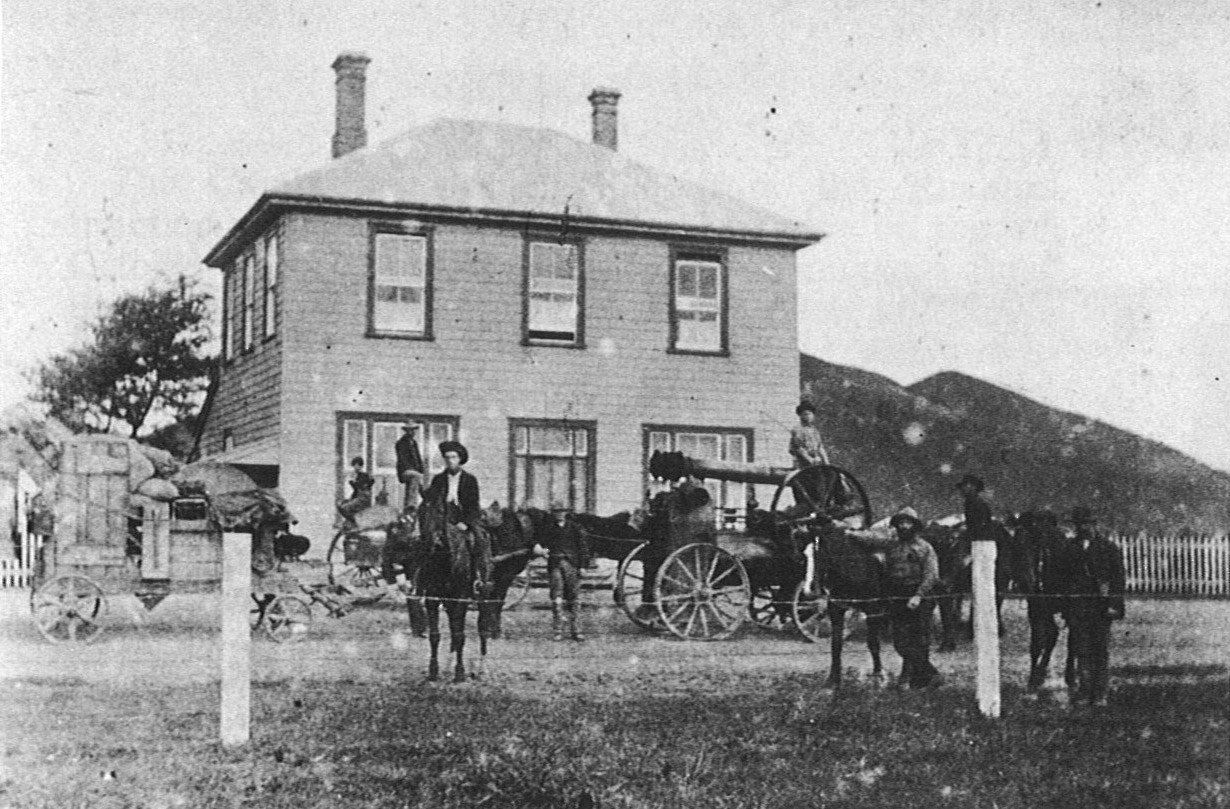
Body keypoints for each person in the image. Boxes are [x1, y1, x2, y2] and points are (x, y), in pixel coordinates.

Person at [850, 507, 942, 688]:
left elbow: (932, 575)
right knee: (900, 642)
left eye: (908, 523)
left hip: (918, 595)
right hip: (897, 595)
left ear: (915, 526)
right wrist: (846, 532)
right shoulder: (890, 543)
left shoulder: (924, 548)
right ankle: (931, 674)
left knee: (919, 640)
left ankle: (917, 679)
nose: (904, 527)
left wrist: (918, 595)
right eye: (900, 523)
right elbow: (869, 538)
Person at [1056, 506, 1125, 707]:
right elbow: (1062, 579)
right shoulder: (1069, 548)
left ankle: (1101, 692)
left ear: (1095, 525)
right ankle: (1085, 691)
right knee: (1081, 650)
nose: (1084, 528)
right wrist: (1064, 608)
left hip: (1101, 607)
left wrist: (1114, 604)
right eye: (1080, 524)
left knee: (1100, 650)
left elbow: (1118, 579)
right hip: (1077, 608)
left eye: (1088, 523)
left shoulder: (1109, 548)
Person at [423, 440, 491, 594]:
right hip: (444, 519)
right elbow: (432, 501)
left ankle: (479, 578)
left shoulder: (469, 480)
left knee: (478, 540)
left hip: (464, 517)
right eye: (447, 458)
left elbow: (473, 505)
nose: (450, 461)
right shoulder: (439, 479)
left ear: (460, 459)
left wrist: (466, 523)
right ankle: (427, 580)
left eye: (453, 457)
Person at [549, 512, 592, 641]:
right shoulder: (549, 528)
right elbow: (538, 540)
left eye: (561, 511)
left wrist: (583, 566)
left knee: (575, 598)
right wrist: (538, 547)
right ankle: (558, 631)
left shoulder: (575, 528)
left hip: (572, 564)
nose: (559, 514)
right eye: (557, 511)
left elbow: (584, 547)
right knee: (557, 598)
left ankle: (577, 630)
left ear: (565, 512)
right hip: (555, 565)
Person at [788, 400, 829, 468]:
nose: (809, 416)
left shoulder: (814, 430)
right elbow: (799, 449)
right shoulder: (797, 430)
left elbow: (820, 447)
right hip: (801, 463)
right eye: (805, 414)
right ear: (800, 415)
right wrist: (810, 460)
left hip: (816, 462)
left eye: (810, 414)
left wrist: (826, 462)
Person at [395, 422, 426, 511]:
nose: (412, 432)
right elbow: (402, 459)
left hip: (415, 472)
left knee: (419, 484)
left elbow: (418, 457)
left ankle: (426, 500)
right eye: (410, 430)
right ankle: (411, 503)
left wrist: (421, 470)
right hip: (405, 470)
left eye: (413, 430)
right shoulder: (401, 443)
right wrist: (413, 470)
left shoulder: (414, 443)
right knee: (415, 476)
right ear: (406, 431)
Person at [336, 456, 374, 524]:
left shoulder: (364, 475)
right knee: (341, 504)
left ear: (360, 466)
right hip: (357, 497)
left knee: (345, 507)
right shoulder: (358, 475)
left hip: (361, 499)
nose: (354, 468)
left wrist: (352, 482)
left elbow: (361, 486)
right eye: (354, 466)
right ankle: (352, 521)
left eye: (356, 466)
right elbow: (356, 489)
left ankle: (354, 521)